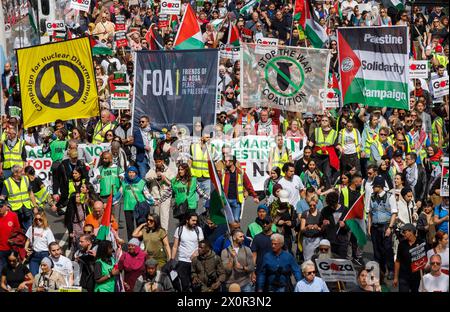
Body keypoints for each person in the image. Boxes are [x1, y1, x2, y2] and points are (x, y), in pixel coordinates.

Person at [368, 176, 397, 280]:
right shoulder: (371, 196)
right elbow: (370, 213)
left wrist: (390, 227)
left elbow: (394, 213)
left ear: (379, 186)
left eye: (374, 186)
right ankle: (380, 270)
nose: (372, 188)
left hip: (385, 226)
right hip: (375, 227)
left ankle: (391, 270)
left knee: (387, 249)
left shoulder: (390, 197)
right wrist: (369, 227)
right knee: (377, 250)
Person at [171, 212, 204, 292]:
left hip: (195, 261)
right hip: (183, 261)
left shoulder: (198, 230)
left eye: (196, 221)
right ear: (187, 220)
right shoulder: (180, 230)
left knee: (196, 285)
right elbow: (175, 246)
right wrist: (172, 260)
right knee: (183, 285)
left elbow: (202, 246)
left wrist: (196, 253)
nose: (195, 222)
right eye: (193, 220)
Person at [2, 165, 39, 230]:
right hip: (14, 210)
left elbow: (31, 193)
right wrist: (3, 207)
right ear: (15, 173)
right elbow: (2, 197)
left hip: (26, 208)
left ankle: (29, 240)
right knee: (16, 231)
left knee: (29, 230)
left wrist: (35, 206)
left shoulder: (25, 179)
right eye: (21, 171)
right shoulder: (7, 182)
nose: (23, 173)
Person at [120, 166, 152, 240]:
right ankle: (132, 243)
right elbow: (119, 193)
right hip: (128, 207)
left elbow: (147, 194)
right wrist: (112, 201)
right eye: (129, 172)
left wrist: (153, 201)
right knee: (130, 227)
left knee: (140, 226)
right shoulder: (124, 182)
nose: (131, 174)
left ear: (136, 173)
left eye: (133, 172)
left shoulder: (141, 182)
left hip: (139, 207)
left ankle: (141, 243)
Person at [394, 224, 423, 292]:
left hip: (417, 277)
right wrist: (395, 277)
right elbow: (398, 261)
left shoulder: (421, 243)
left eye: (404, 232)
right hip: (404, 276)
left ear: (411, 232)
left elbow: (425, 260)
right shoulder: (401, 244)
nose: (403, 234)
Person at [24, 211, 55, 276]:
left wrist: (52, 255)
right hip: (34, 254)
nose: (38, 221)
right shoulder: (32, 228)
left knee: (44, 275)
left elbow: (51, 244)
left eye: (40, 219)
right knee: (33, 275)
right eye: (36, 219)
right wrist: (26, 248)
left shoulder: (47, 230)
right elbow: (28, 240)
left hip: (44, 254)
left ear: (44, 219)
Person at [320, 192, 350, 259]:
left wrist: (344, 225)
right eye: (330, 205)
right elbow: (320, 227)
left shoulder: (345, 210)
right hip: (329, 241)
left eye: (333, 205)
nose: (332, 207)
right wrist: (323, 225)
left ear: (337, 201)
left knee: (341, 262)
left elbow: (350, 227)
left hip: (342, 242)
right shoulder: (325, 210)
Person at [0, 199, 20, 273]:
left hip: (11, 248)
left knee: (12, 270)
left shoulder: (13, 215)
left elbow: (18, 230)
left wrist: (15, 243)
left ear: (5, 206)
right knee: (1, 271)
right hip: (0, 249)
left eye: (1, 206)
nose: (0, 209)